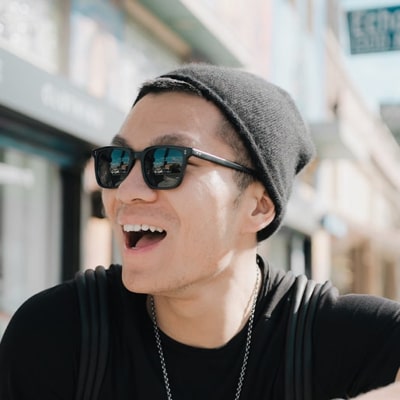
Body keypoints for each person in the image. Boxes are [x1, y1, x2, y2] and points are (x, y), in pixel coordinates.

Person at [0, 63, 399, 400]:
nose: (127, 190)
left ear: (258, 207)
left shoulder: (338, 340)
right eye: (119, 161)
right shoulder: (59, 334)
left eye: (168, 163)